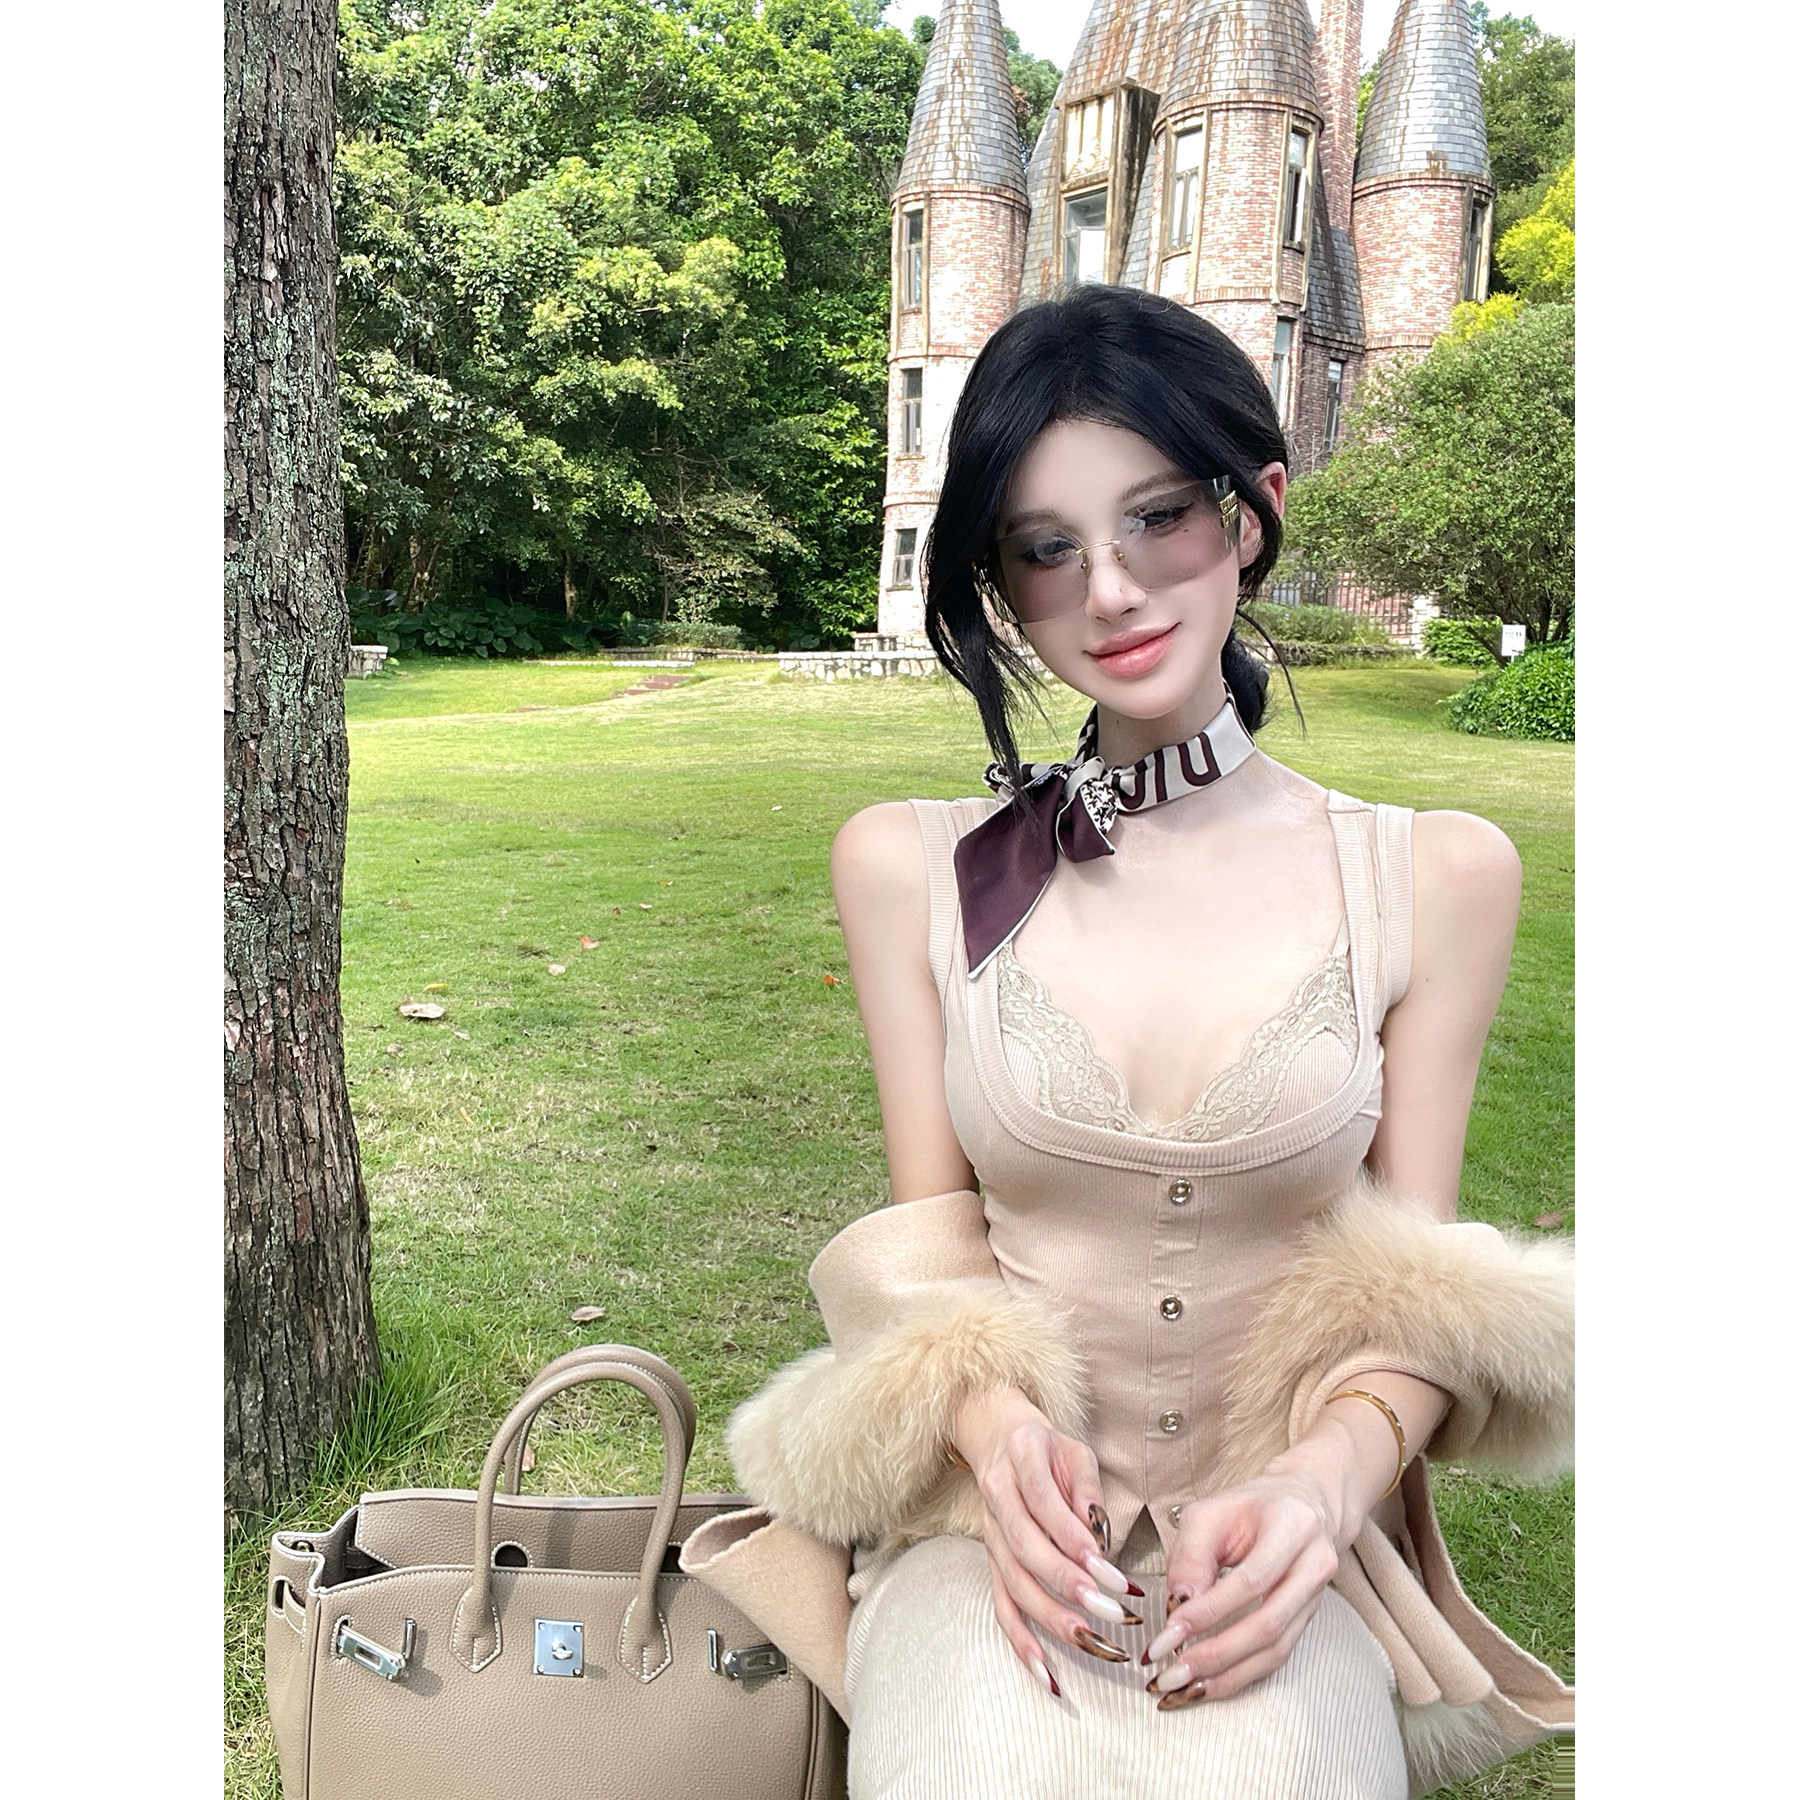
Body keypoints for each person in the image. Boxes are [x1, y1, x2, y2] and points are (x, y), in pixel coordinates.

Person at [712, 285, 1573, 1799]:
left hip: (1280, 1552)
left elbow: (1418, 1284)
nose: (1108, 590)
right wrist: (989, 1429)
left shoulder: (1435, 875)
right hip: (992, 1546)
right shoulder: (914, 868)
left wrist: (1326, 1487)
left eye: (1158, 517)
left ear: (1252, 512)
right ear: (1000, 584)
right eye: (1046, 549)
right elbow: (926, 1246)